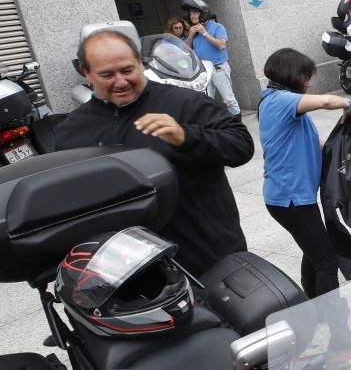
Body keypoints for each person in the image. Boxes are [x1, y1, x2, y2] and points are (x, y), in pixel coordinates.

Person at [55, 26, 253, 277]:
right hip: (130, 271)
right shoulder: (72, 131)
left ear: (140, 62)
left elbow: (241, 145)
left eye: (127, 70)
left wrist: (186, 136)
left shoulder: (184, 102)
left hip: (210, 254)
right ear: (86, 73)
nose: (120, 81)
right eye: (107, 74)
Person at [258, 48, 351, 298]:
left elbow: (309, 141)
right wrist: (349, 105)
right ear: (291, 74)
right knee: (327, 262)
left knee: (313, 251)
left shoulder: (275, 100)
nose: (309, 82)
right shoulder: (280, 100)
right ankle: (333, 319)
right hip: (291, 199)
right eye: (306, 76)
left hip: (288, 196)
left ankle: (312, 304)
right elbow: (326, 102)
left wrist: (336, 147)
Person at [182, 0, 241, 116]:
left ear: (203, 13)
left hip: (218, 67)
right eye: (190, 13)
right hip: (203, 70)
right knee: (207, 100)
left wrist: (204, 33)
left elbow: (221, 45)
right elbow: (185, 50)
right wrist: (191, 35)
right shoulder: (193, 31)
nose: (191, 16)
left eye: (195, 12)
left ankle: (237, 123)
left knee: (228, 99)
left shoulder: (217, 27)